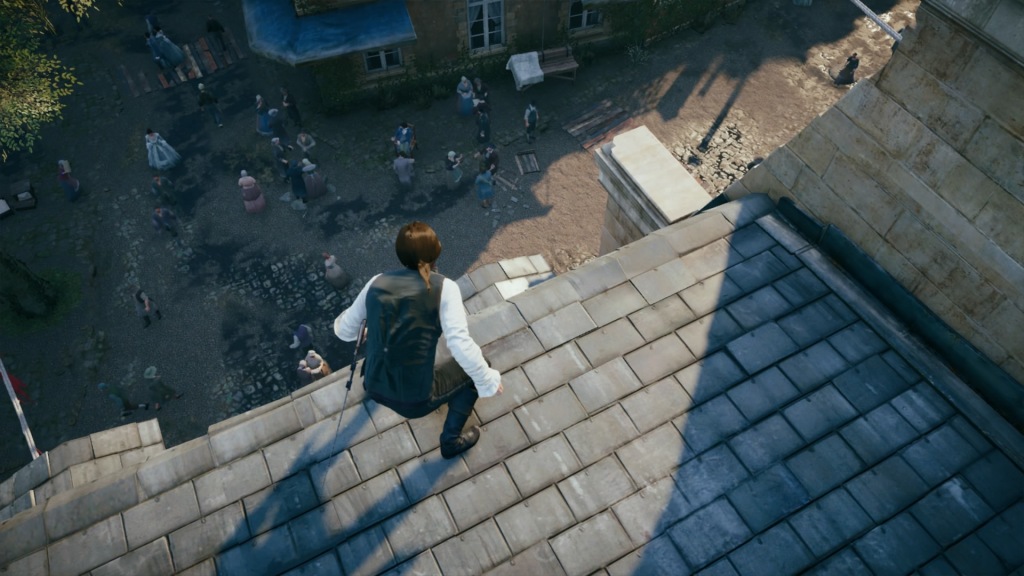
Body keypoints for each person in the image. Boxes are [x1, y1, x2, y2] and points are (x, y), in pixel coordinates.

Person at [333, 221, 504, 459]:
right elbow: (460, 345)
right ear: (436, 253)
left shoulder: (377, 281)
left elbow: (344, 331)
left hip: (373, 385)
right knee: (481, 364)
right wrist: (488, 380)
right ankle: (450, 441)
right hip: (414, 401)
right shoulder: (445, 288)